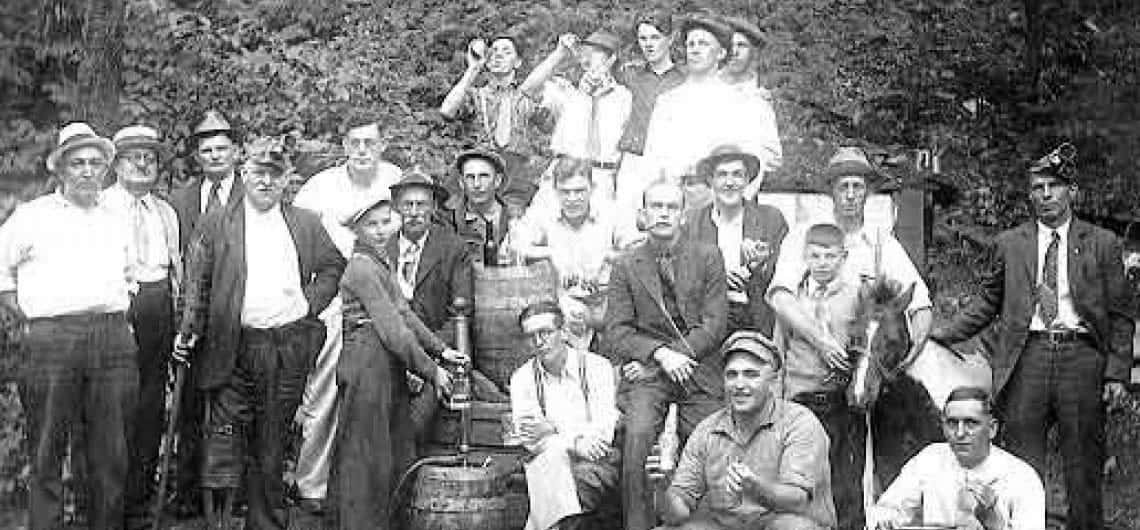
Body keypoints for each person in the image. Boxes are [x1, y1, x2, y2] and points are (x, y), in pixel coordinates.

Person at [930, 143, 1133, 530]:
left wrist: (1116, 374)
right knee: (1020, 467)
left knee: (1083, 466)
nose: (1046, 195)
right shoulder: (1010, 244)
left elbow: (1122, 315)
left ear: (1072, 191)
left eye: (1054, 186)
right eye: (1038, 188)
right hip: (1027, 359)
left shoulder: (1102, 243)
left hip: (1081, 358)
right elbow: (988, 302)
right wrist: (941, 335)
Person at [174, 137, 346, 530]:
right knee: (225, 441)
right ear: (244, 174)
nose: (266, 182)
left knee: (271, 442)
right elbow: (197, 281)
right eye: (258, 173)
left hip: (284, 348)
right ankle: (220, 521)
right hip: (232, 348)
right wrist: (187, 330)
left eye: (274, 174)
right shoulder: (218, 221)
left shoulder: (304, 222)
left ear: (286, 179)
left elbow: (333, 266)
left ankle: (266, 522)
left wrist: (308, 303)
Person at [0, 123, 134, 530]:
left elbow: (130, 276)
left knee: (110, 451)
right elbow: (2, 276)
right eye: (77, 163)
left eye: (95, 163)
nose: (87, 171)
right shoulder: (31, 217)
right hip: (52, 340)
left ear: (105, 169)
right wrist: (33, 318)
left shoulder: (117, 217)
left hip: (111, 337)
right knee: (47, 446)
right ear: (60, 169)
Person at [329, 197, 462, 530]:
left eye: (384, 222)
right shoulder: (361, 267)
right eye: (370, 225)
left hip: (384, 362)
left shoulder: (380, 262)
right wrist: (432, 371)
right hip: (365, 363)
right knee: (366, 456)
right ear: (357, 230)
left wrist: (441, 350)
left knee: (393, 450)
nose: (379, 231)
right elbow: (393, 330)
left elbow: (404, 313)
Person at [290, 119, 402, 513]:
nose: (362, 150)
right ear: (344, 145)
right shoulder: (319, 187)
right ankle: (313, 483)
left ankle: (375, 490)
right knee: (324, 389)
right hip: (336, 300)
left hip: (387, 298)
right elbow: (295, 242)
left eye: (370, 142)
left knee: (381, 394)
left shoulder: (394, 179)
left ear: (382, 144)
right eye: (355, 142)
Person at [604, 179, 728, 530]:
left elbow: (714, 325)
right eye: (656, 206)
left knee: (712, 441)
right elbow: (617, 330)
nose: (663, 213)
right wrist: (660, 354)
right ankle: (638, 525)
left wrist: (675, 356)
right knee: (638, 436)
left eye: (671, 207)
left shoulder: (708, 256)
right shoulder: (627, 264)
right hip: (650, 372)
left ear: (683, 215)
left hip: (699, 369)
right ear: (643, 214)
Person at [767, 147, 933, 389]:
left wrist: (911, 354)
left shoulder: (882, 244)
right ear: (831, 191)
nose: (851, 195)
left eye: (858, 187)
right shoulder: (804, 235)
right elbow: (780, 298)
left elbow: (920, 304)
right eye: (843, 187)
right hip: (806, 369)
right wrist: (821, 341)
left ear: (868, 192)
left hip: (858, 374)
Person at [655, 331, 835, 530]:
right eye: (732, 375)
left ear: (773, 380)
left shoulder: (799, 422)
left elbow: (797, 501)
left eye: (751, 374)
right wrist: (664, 484)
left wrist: (755, 487)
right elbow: (677, 513)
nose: (739, 384)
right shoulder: (707, 430)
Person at [100, 125, 184, 529]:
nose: (143, 163)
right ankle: (106, 504)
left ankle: (139, 501)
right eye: (134, 156)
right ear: (116, 164)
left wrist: (180, 320)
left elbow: (176, 270)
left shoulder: (165, 211)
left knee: (150, 407)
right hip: (116, 310)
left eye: (150, 157)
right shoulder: (98, 208)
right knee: (113, 408)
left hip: (159, 310)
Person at [167, 110, 244, 516]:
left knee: (233, 411)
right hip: (191, 320)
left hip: (236, 319)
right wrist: (183, 321)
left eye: (222, 148)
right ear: (197, 156)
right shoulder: (180, 200)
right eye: (207, 150)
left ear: (236, 152)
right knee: (190, 408)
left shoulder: (252, 195)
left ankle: (234, 494)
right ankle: (188, 493)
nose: (215, 156)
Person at [770, 223, 865, 530]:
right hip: (799, 400)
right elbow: (778, 353)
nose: (822, 263)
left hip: (839, 403)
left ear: (843, 258)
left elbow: (866, 347)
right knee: (801, 475)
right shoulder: (792, 302)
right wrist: (776, 403)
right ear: (804, 257)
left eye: (830, 256)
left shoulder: (856, 297)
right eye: (815, 256)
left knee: (843, 479)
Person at [509, 301, 621, 530]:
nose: (538, 342)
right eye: (530, 336)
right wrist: (575, 441)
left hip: (596, 461)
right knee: (554, 465)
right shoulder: (522, 379)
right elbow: (532, 440)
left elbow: (602, 433)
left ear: (563, 332)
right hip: (548, 460)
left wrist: (553, 429)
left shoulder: (597, 368)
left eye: (545, 332)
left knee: (566, 480)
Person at [868, 386, 1045, 530]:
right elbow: (886, 511)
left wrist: (995, 524)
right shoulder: (929, 459)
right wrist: (883, 523)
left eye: (971, 423)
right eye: (952, 423)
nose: (960, 433)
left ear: (992, 429)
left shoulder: (1022, 477)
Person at [641, 16, 781, 189]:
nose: (695, 50)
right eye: (691, 44)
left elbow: (755, 158)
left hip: (726, 195)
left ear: (721, 53)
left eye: (703, 44)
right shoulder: (667, 102)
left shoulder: (743, 103)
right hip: (676, 195)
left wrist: (738, 200)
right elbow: (652, 160)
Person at [385, 170, 474, 432]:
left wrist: (424, 360)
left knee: (414, 423)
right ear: (396, 207)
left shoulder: (453, 248)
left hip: (438, 354)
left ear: (433, 207)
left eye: (421, 204)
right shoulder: (382, 246)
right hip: (388, 352)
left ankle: (407, 456)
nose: (414, 212)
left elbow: (461, 314)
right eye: (407, 205)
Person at [513, 158, 621, 349]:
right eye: (565, 192)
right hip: (564, 302)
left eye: (579, 191)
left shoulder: (611, 213)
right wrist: (550, 253)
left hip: (607, 300)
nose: (572, 199)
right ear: (555, 190)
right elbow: (516, 246)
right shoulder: (544, 214)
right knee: (567, 317)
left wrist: (607, 257)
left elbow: (636, 252)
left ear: (592, 188)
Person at [680, 145, 787, 335]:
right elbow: (682, 278)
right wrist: (717, 276)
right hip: (706, 321)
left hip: (755, 319)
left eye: (737, 175)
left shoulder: (770, 219)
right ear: (710, 180)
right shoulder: (692, 224)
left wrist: (760, 264)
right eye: (722, 175)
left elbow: (782, 277)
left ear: (747, 180)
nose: (730, 183)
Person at [520, 30, 632, 209]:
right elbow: (528, 90)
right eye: (585, 52)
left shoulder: (626, 98)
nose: (587, 57)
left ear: (611, 59)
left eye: (595, 52)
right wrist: (559, 54)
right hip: (562, 174)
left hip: (602, 177)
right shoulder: (567, 91)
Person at [440, 33, 548, 189]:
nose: (498, 55)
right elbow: (447, 111)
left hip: (516, 177)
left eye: (506, 52)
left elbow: (551, 127)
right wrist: (473, 68)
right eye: (494, 51)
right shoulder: (475, 95)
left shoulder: (528, 98)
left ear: (517, 62)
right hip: (478, 173)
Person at [613, 11, 685, 233]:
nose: (648, 44)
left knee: (667, 226)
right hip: (634, 160)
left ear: (670, 39)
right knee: (626, 225)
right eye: (643, 38)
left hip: (671, 160)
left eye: (655, 37)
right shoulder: (629, 74)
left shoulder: (685, 79)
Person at [719, 16, 782, 200]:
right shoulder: (706, 90)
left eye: (742, 46)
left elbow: (773, 157)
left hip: (746, 191)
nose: (735, 52)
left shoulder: (760, 101)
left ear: (753, 52)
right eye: (730, 45)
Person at [445, 149, 525, 266]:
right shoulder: (449, 222)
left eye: (484, 176)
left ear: (497, 180)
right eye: (470, 177)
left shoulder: (517, 219)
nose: (477, 184)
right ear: (461, 183)